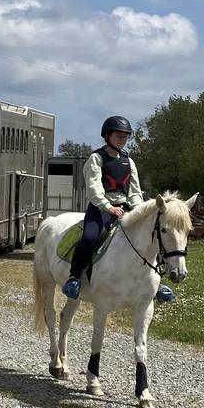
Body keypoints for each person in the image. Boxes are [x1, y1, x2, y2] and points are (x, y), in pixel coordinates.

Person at [63, 116, 143, 299]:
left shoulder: (129, 162)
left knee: (146, 237)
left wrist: (138, 209)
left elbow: (135, 191)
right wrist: (108, 207)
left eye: (125, 136)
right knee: (90, 237)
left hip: (126, 208)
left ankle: (152, 282)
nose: (122, 139)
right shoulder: (96, 158)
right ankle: (74, 278)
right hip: (100, 209)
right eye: (118, 135)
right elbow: (94, 189)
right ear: (107, 135)